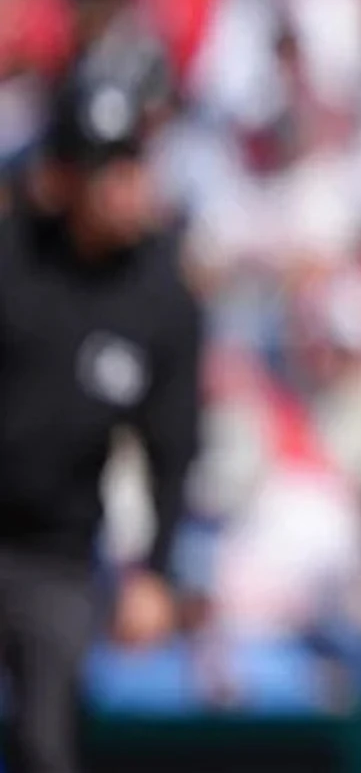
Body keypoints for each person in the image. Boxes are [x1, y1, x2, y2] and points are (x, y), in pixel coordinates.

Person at [0, 64, 201, 773]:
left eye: (132, 165)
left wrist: (154, 572)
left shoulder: (161, 302)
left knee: (46, 745)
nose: (127, 186)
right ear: (65, 180)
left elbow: (174, 449)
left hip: (56, 554)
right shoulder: (13, 261)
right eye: (107, 169)